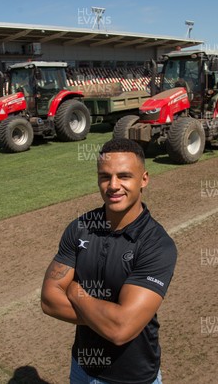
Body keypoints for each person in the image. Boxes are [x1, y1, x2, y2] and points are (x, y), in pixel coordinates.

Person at [41, 138, 177, 383]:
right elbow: (49, 301)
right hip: (82, 369)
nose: (113, 185)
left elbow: (121, 329)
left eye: (124, 176)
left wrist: (74, 291)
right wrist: (106, 319)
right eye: (105, 176)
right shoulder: (80, 227)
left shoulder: (157, 244)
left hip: (134, 377)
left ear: (143, 179)